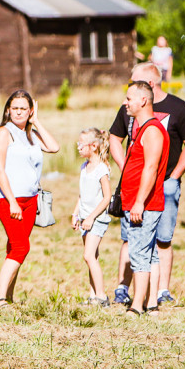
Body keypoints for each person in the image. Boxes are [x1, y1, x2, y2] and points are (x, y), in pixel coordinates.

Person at [109, 62, 185, 308]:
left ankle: (149, 299)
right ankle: (127, 291)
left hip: (159, 188)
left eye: (131, 87)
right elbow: (114, 139)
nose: (125, 99)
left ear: (146, 88)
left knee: (157, 242)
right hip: (136, 188)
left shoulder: (171, 114)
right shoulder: (132, 114)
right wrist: (125, 168)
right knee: (135, 242)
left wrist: (173, 177)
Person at [0, 90, 59, 309]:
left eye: (23, 108)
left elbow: (54, 147)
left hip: (31, 199)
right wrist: (12, 202)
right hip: (8, 199)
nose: (19, 112)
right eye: (15, 108)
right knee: (21, 247)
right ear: (8, 110)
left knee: (14, 246)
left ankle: (8, 297)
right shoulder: (4, 132)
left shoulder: (31, 134)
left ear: (30, 111)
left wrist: (36, 121)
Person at [117, 81, 169, 316]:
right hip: (135, 202)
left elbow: (150, 168)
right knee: (149, 253)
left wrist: (139, 202)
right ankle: (151, 304)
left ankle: (137, 306)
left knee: (138, 253)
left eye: (129, 99)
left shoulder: (152, 130)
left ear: (143, 101)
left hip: (144, 205)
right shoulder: (143, 129)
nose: (125, 103)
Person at [71, 127, 113, 306]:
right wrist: (76, 213)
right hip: (85, 219)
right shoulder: (84, 167)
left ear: (94, 146)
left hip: (97, 219)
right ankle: (93, 294)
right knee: (92, 257)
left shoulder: (101, 169)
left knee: (88, 256)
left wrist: (91, 218)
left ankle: (102, 296)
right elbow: (82, 195)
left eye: (81, 144)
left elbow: (107, 197)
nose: (78, 147)